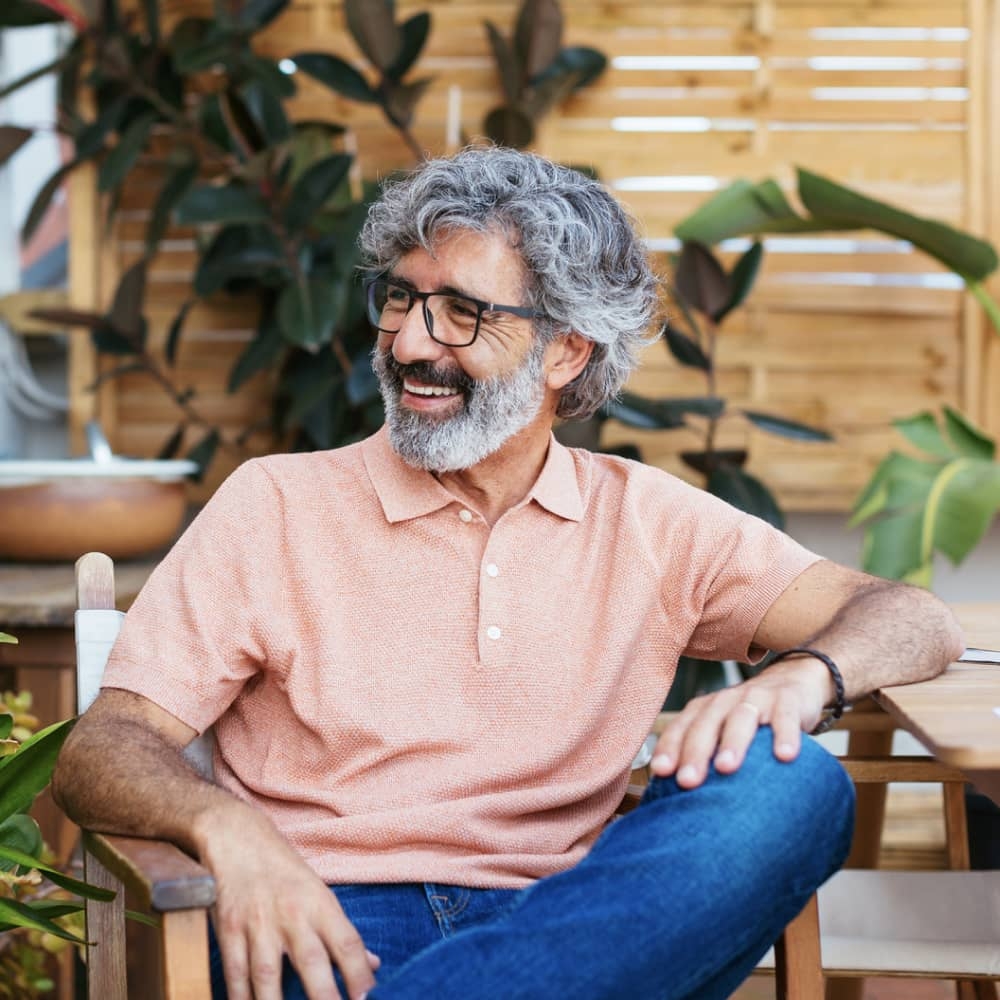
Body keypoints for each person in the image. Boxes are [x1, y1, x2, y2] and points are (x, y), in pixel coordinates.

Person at [52, 146, 965, 1000]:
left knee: (798, 784)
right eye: (403, 300)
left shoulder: (651, 522)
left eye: (464, 313)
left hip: (569, 927)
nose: (410, 343)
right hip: (326, 921)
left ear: (566, 350)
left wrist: (807, 676)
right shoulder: (276, 506)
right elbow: (102, 747)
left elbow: (914, 618)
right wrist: (228, 827)